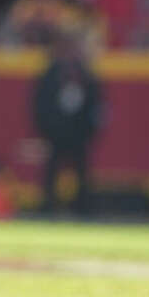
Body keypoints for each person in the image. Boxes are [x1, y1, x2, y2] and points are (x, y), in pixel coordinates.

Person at [31, 32, 102, 215]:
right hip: (56, 131)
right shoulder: (51, 73)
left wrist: (89, 130)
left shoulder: (85, 75)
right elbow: (40, 102)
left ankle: (82, 208)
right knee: (51, 170)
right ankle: (48, 207)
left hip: (78, 132)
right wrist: (46, 127)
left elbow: (95, 103)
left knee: (81, 171)